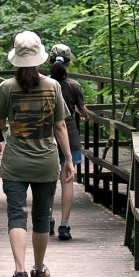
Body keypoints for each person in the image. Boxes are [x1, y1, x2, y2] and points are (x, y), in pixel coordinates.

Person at [0, 30, 74, 277]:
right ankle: (38, 270)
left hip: (15, 162)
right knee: (42, 216)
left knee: (16, 215)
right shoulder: (53, 86)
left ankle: (20, 271)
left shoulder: (6, 87)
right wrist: (68, 159)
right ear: (39, 57)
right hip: (46, 161)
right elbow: (60, 126)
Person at [48, 43, 89, 241]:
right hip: (69, 137)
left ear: (50, 62)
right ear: (69, 63)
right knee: (67, 182)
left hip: (46, 138)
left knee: (47, 182)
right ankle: (64, 226)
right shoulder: (74, 86)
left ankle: (47, 220)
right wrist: (85, 114)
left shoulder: (43, 84)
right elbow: (81, 110)